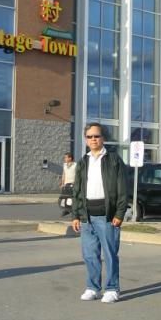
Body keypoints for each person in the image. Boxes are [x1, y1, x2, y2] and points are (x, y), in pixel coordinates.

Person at [71, 123, 128, 304]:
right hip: (86, 217)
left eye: (96, 136)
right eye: (90, 136)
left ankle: (112, 289)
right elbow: (77, 190)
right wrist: (75, 215)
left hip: (108, 217)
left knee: (110, 254)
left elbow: (122, 188)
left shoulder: (113, 160)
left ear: (103, 138)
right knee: (90, 255)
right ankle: (93, 288)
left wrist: (119, 213)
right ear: (86, 139)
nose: (93, 139)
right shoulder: (83, 162)